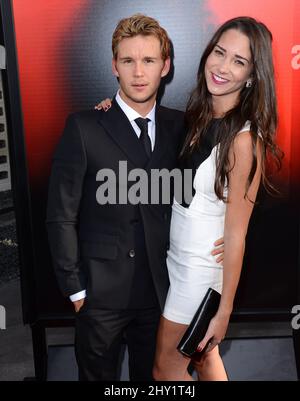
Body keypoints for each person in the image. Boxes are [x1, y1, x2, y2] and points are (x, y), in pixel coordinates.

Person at [97, 15, 282, 382]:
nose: (223, 67)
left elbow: (236, 233)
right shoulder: (195, 117)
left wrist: (224, 310)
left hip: (198, 273)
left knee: (166, 370)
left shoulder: (245, 142)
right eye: (219, 52)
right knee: (204, 359)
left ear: (253, 75)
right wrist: (112, 109)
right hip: (175, 261)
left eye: (239, 61)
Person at [46, 14, 223, 381]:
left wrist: (228, 239)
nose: (138, 72)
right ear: (114, 66)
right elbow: (60, 215)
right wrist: (76, 290)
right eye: (128, 61)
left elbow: (217, 180)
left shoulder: (183, 126)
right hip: (99, 294)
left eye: (149, 61)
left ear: (166, 66)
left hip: (161, 291)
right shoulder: (84, 126)